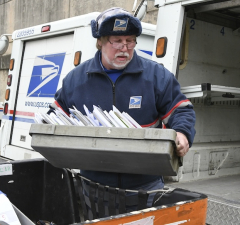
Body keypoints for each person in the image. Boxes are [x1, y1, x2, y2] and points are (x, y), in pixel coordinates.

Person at [49, 7, 196, 217]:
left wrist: (182, 132)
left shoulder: (156, 76)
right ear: (100, 41)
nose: (124, 48)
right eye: (116, 41)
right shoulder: (76, 80)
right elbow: (53, 115)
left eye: (130, 41)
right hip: (95, 187)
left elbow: (181, 110)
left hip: (146, 186)